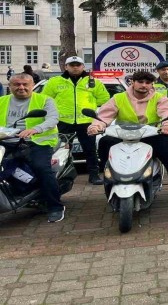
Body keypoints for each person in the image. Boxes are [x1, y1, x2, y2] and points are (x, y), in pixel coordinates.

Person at [86, 71, 168, 212]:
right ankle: (109, 176)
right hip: (122, 135)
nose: (144, 85)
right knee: (104, 142)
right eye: (141, 82)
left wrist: (167, 126)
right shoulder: (119, 98)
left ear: (152, 84)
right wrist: (96, 126)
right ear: (133, 82)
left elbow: (166, 114)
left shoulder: (159, 98)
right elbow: (104, 115)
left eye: (148, 83)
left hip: (151, 135)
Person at [0, 74, 65, 222]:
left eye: (25, 84)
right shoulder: (2, 101)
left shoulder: (44, 100)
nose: (21, 87)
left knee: (41, 168)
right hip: (6, 141)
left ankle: (55, 207)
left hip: (37, 141)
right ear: (10, 86)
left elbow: (53, 118)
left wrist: (36, 129)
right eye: (17, 84)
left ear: (32, 85)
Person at [41, 56, 110, 185]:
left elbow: (104, 99)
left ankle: (94, 175)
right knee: (62, 150)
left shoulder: (93, 82)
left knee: (90, 150)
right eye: (72, 65)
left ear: (83, 66)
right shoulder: (54, 82)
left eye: (78, 65)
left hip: (86, 121)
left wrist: (90, 105)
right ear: (66, 67)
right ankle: (60, 175)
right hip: (63, 122)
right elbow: (46, 100)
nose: (75, 67)